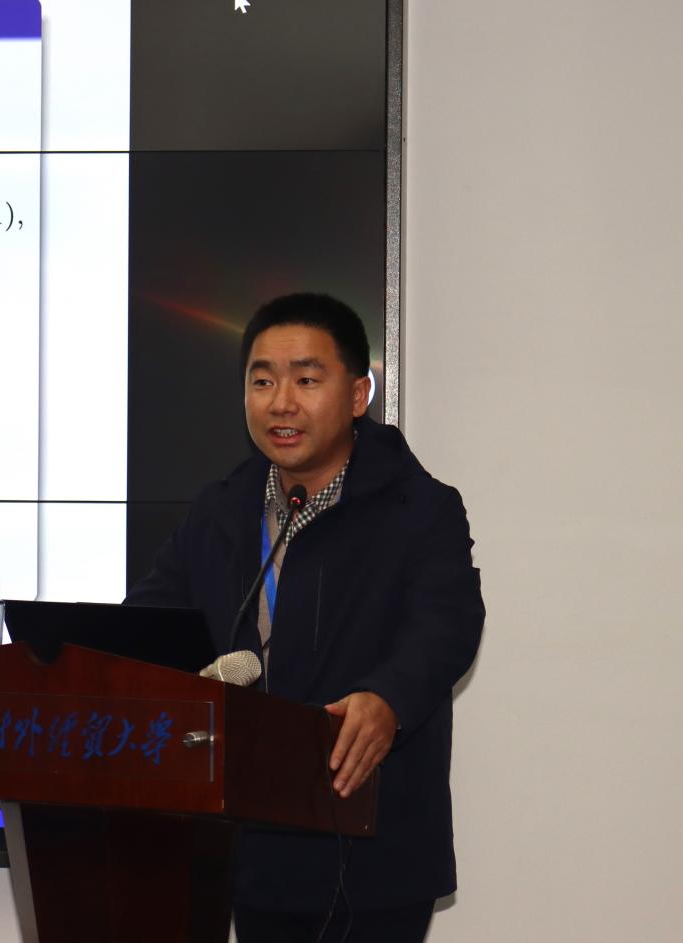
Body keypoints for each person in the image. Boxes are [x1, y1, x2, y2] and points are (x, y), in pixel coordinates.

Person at [125, 293, 484, 943]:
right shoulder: (220, 510)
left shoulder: (419, 508)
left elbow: (447, 623)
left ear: (358, 394)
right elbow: (150, 622)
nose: (281, 402)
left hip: (374, 849)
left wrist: (388, 698)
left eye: (307, 380)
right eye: (262, 381)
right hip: (250, 846)